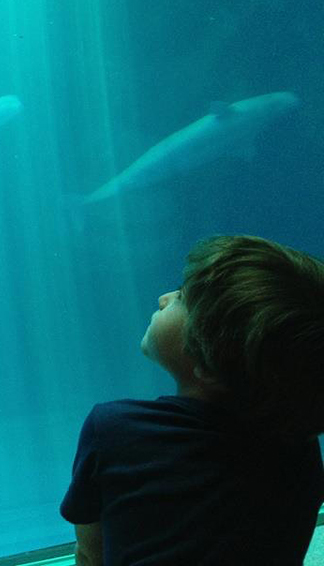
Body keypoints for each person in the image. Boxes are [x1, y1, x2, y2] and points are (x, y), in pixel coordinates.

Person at [60, 235, 324, 565]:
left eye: (184, 298)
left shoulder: (114, 430)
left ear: (212, 364)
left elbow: (91, 553)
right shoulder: (300, 450)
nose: (164, 298)